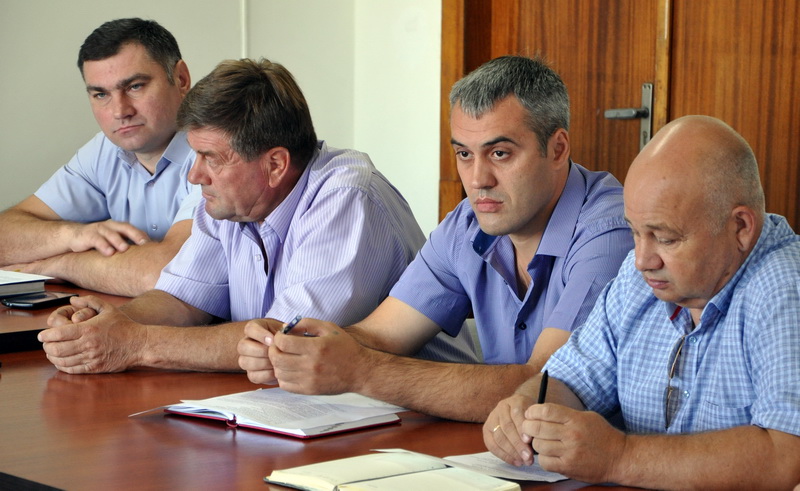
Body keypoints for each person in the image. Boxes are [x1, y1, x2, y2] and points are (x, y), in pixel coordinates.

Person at [237, 55, 633, 422]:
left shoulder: (611, 232)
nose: (478, 180)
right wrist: (297, 345)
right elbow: (380, 336)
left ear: (558, 148)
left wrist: (360, 370)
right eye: (464, 154)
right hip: (504, 450)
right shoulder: (467, 224)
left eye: (499, 154)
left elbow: (546, 385)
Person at [36, 58, 469, 373]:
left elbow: (284, 340)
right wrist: (105, 324)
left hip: (425, 419)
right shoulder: (228, 200)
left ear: (275, 164)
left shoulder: (346, 195)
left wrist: (137, 343)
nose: (194, 175)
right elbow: (181, 299)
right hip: (312, 411)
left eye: (210, 158)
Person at [485, 115, 800, 489]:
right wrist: (522, 411)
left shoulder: (786, 288)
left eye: (665, 238)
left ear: (741, 228)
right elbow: (567, 382)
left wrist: (619, 456)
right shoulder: (639, 281)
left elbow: (788, 456)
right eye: (636, 232)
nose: (642, 260)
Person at [0, 18, 199, 297]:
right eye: (101, 94)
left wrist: (59, 264)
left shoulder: (216, 151)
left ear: (181, 79)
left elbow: (166, 275)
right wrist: (75, 236)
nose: (120, 111)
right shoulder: (105, 150)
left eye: (135, 86)